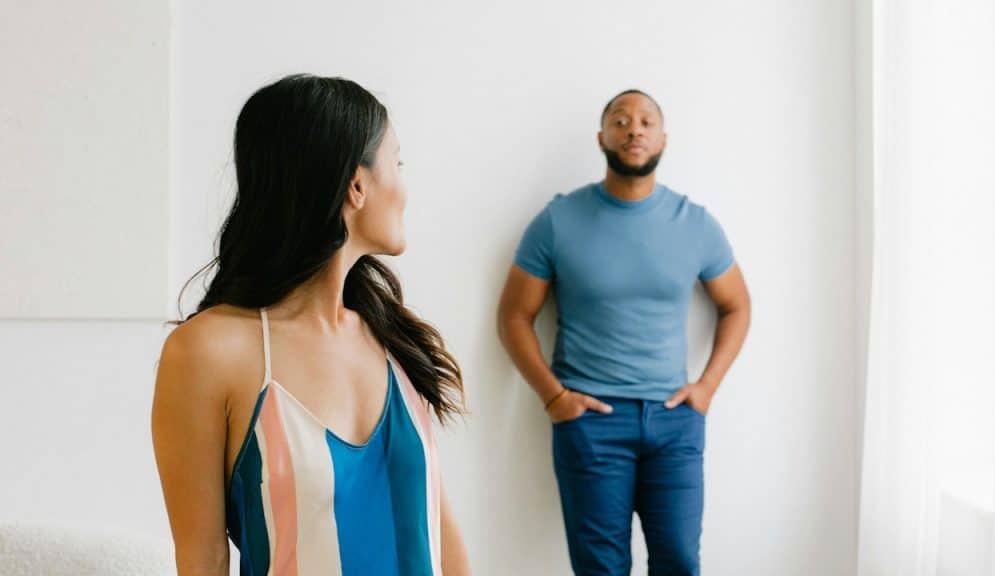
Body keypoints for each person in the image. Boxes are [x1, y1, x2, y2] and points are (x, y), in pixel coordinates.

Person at [152, 74, 470, 576]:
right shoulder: (209, 351)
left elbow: (442, 540)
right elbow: (202, 558)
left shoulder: (393, 342)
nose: (405, 189)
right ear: (357, 185)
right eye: (398, 163)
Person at [497, 89, 751, 576]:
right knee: (601, 569)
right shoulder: (557, 221)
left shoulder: (695, 224)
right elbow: (513, 316)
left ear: (662, 139)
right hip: (592, 422)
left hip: (675, 422)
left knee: (678, 561)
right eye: (620, 120)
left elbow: (736, 305)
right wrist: (554, 398)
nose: (634, 129)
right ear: (602, 137)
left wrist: (708, 386)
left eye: (646, 121)